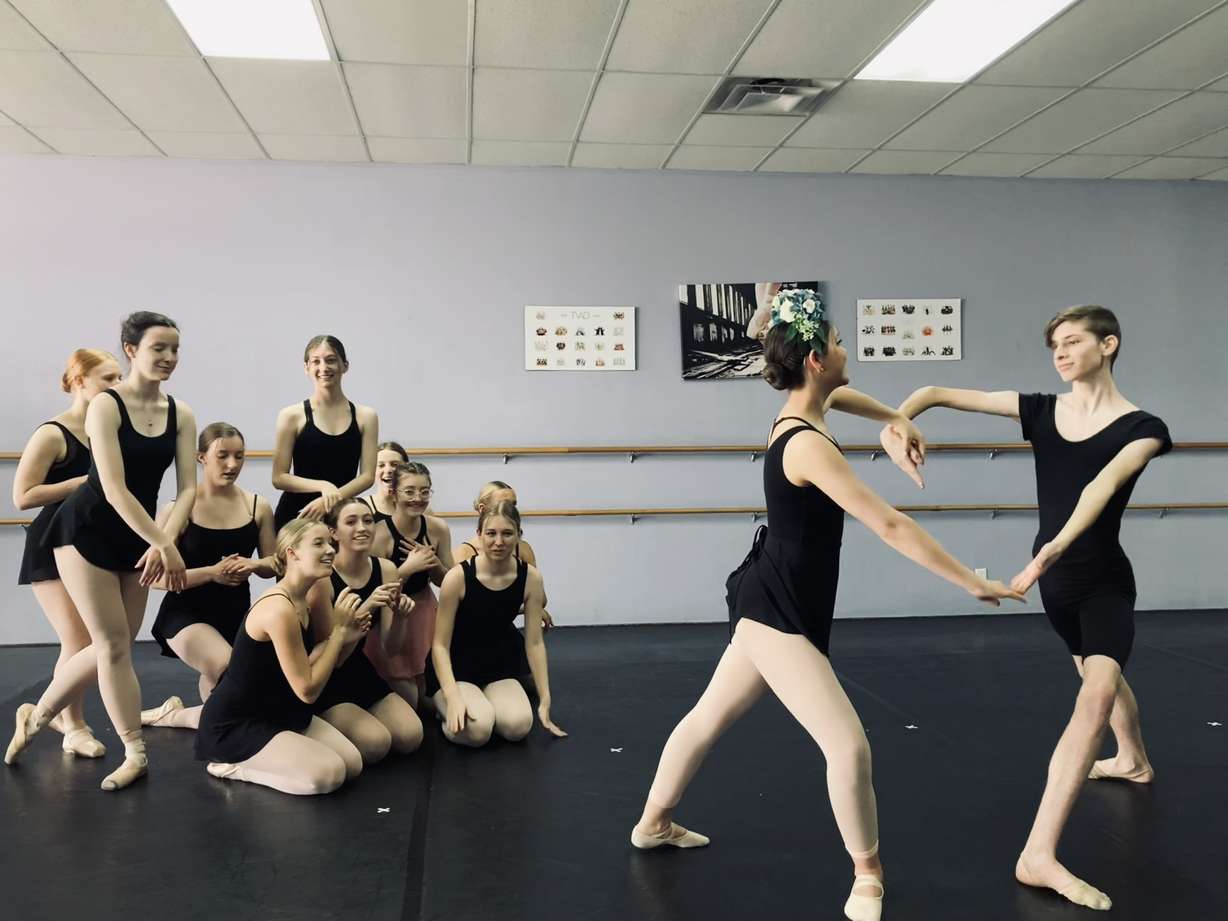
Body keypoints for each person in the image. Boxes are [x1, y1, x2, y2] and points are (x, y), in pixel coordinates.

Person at [630, 290, 1022, 921]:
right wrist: (968, 581)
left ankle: (653, 822)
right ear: (815, 358)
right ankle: (868, 876)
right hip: (778, 607)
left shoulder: (805, 411)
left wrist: (897, 418)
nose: (846, 351)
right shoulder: (808, 445)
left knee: (707, 718)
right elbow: (888, 524)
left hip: (774, 593)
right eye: (838, 342)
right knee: (848, 746)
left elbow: (847, 398)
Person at [895, 304, 1171, 912]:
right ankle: (1133, 760)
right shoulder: (1042, 411)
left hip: (1098, 578)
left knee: (1095, 692)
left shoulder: (1143, 427)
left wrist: (1051, 550)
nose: (1061, 354)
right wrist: (902, 421)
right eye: (1054, 347)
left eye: (1073, 342)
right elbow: (938, 390)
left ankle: (1038, 854)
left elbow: (1100, 487)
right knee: (1093, 670)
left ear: (1109, 344)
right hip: (1055, 588)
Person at [6, 311, 198, 792]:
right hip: (86, 528)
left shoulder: (182, 413)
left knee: (118, 646)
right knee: (110, 645)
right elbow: (112, 487)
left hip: (139, 533)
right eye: (159, 348)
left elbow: (188, 490)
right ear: (132, 350)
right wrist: (161, 541)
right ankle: (135, 750)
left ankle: (38, 713)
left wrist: (166, 540)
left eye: (175, 349)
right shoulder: (106, 407)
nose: (169, 358)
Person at [193, 520, 368, 794]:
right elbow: (308, 690)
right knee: (328, 776)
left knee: (353, 764)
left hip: (282, 710)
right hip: (239, 723)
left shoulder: (304, 599)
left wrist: (348, 637)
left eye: (330, 543)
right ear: (292, 553)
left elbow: (329, 661)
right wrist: (338, 635)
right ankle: (231, 767)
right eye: (318, 543)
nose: (331, 550)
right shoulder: (279, 608)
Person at [12, 348, 121, 758]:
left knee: (98, 640)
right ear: (79, 381)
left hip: (96, 543)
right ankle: (72, 726)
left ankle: (57, 714)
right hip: (52, 540)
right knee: (78, 640)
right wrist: (86, 481)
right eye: (108, 379)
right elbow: (22, 495)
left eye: (118, 378)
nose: (117, 387)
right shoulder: (54, 433)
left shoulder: (110, 429)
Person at [141, 422, 277, 727]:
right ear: (201, 457)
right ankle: (174, 718)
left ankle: (183, 716)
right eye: (223, 456)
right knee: (229, 668)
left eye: (239, 456)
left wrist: (254, 565)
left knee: (237, 709)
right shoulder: (178, 510)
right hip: (185, 613)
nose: (232, 465)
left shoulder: (258, 507)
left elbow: (274, 565)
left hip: (236, 614)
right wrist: (211, 573)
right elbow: (156, 579)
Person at [428, 500, 565, 747]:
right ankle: (445, 710)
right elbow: (439, 645)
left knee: (518, 727)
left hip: (499, 664)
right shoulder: (457, 577)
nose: (499, 542)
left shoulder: (530, 578)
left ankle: (483, 703)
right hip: (458, 666)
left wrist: (545, 699)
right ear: (479, 535)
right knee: (478, 731)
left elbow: (534, 643)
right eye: (491, 533)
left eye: (507, 533)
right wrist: (453, 696)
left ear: (519, 536)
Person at [306, 498, 424, 762]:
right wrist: (368, 606)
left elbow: (390, 648)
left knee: (411, 736)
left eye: (368, 520)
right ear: (333, 533)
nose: (362, 528)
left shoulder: (386, 569)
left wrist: (402, 617)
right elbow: (332, 657)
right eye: (351, 522)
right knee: (376, 744)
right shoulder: (324, 579)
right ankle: (315, 725)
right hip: (325, 676)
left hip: (359, 667)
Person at [368, 461, 454, 706]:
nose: (418, 498)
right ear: (394, 493)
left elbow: (447, 582)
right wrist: (407, 568)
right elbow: (375, 590)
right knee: (411, 701)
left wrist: (434, 563)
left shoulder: (437, 528)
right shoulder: (379, 534)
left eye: (424, 491)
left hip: (425, 608)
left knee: (427, 691)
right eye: (410, 491)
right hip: (391, 613)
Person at [272, 335, 378, 530]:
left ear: (345, 366)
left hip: (342, 516)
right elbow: (279, 477)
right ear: (306, 367)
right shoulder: (291, 415)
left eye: (331, 360)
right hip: (298, 515)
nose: (324, 368)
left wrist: (329, 499)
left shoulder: (366, 416)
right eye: (316, 361)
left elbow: (368, 476)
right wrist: (323, 486)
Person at [454, 481, 554, 631]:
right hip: (469, 631)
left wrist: (531, 608)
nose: (510, 510)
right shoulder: (464, 553)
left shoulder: (523, 549)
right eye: (503, 504)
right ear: (482, 509)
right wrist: (525, 608)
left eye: (513, 505)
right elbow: (467, 606)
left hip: (502, 628)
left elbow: (540, 599)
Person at [366, 441, 409, 521]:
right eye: (381, 465)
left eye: (395, 464)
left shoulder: (419, 508)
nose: (388, 470)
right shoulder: (361, 506)